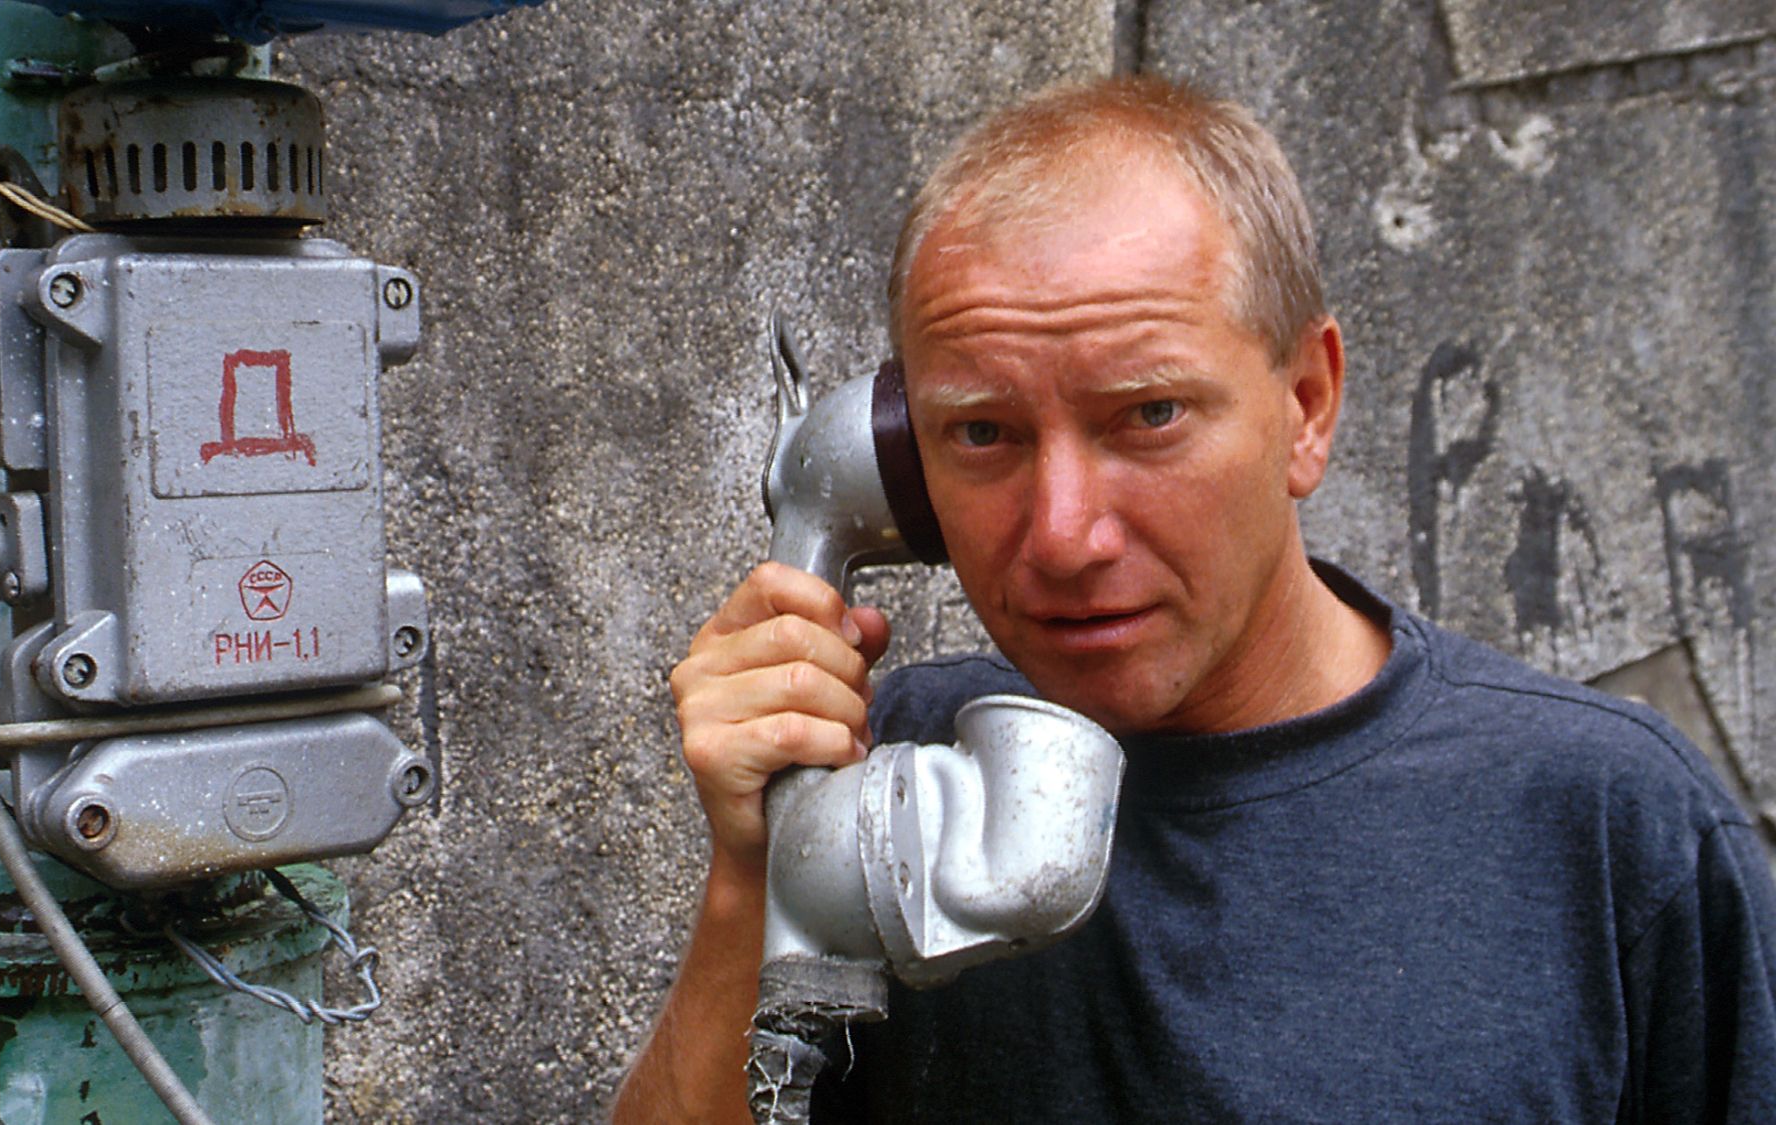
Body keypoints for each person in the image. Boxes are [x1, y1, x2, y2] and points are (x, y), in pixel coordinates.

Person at [613, 74, 1776, 1123]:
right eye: (981, 433)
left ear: (1306, 405)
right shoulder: (886, 791)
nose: (1064, 535)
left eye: (1148, 415)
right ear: (902, 471)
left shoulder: (1603, 828)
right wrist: (758, 868)